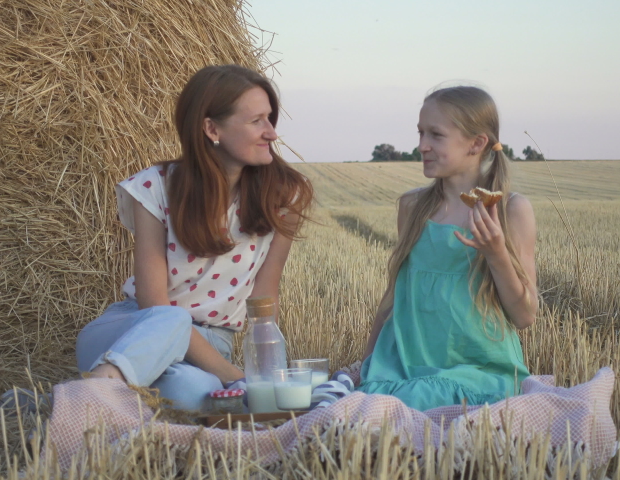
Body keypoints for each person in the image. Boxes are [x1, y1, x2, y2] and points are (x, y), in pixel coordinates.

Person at [72, 64, 313, 411]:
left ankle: (72, 400)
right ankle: (102, 387)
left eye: (270, 118)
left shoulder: (283, 198)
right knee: (173, 320)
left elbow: (264, 299)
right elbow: (153, 303)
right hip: (132, 329)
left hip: (211, 346)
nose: (272, 133)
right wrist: (234, 376)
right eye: (256, 121)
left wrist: (270, 380)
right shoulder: (155, 186)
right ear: (212, 128)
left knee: (193, 392)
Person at [356, 86, 538, 412]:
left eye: (436, 135)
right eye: (421, 132)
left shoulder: (512, 211)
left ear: (477, 143)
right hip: (402, 368)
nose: (422, 145)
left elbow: (524, 315)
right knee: (361, 410)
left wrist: (496, 253)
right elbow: (394, 297)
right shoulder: (413, 207)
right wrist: (365, 365)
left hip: (479, 373)